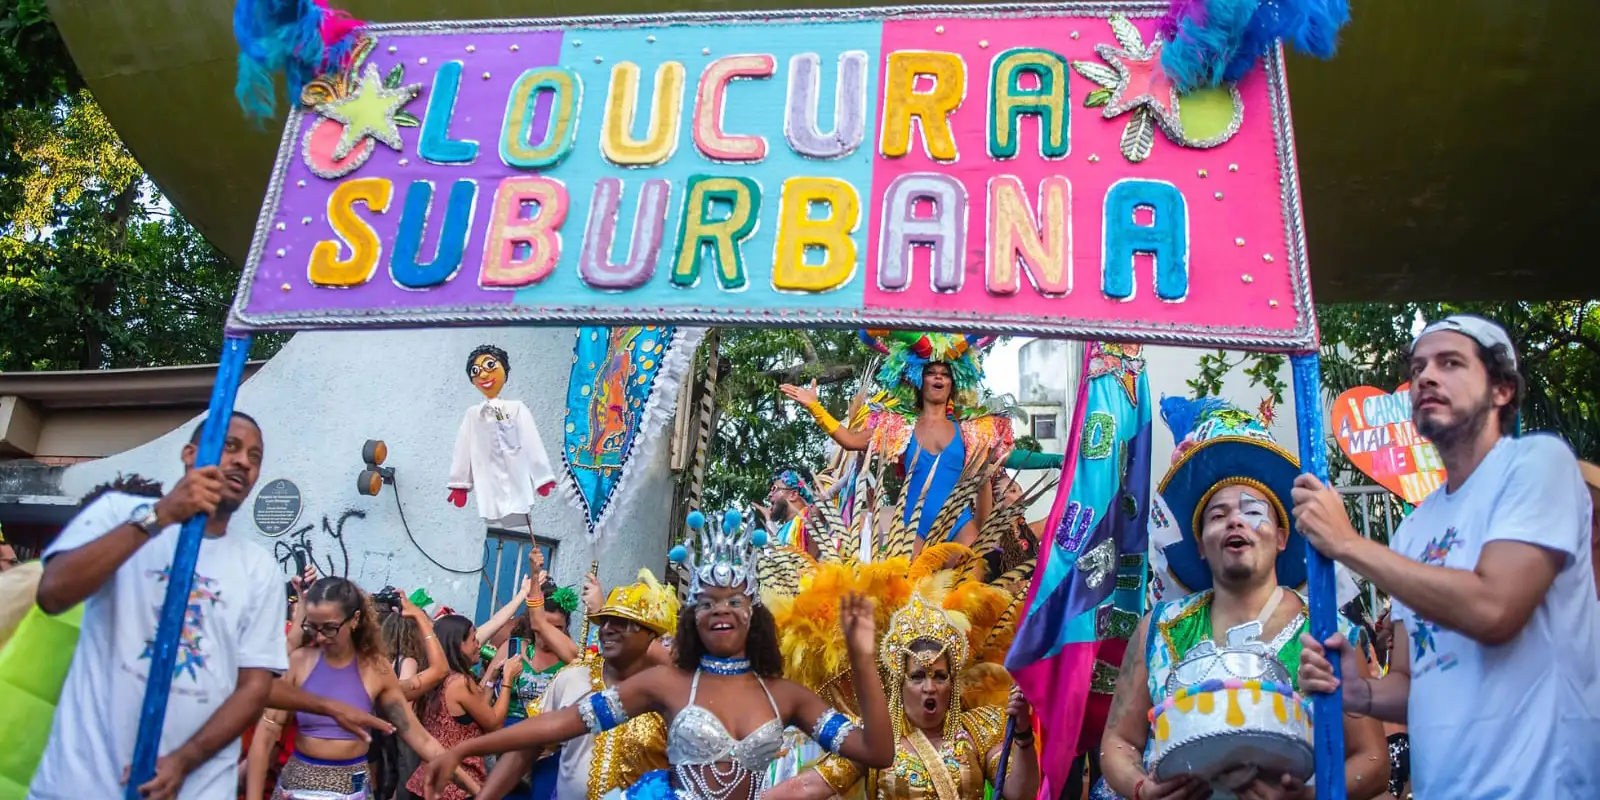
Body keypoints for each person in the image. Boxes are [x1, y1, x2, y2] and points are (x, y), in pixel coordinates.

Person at [1294, 314, 1600, 798]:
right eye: (1417, 368)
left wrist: (1348, 543)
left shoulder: (1538, 465)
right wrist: (1362, 692)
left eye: (1450, 363)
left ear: (1502, 389)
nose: (1426, 377)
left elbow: (1494, 609)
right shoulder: (1414, 530)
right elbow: (1415, 679)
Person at [421, 510, 895, 799]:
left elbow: (877, 751)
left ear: (754, 616)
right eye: (706, 602)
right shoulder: (666, 684)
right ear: (692, 619)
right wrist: (465, 748)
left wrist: (861, 658)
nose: (720, 610)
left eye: (734, 601)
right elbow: (557, 725)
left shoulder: (786, 696)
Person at [1101, 399, 1389, 800]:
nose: (1235, 520)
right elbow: (1118, 742)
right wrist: (1141, 789)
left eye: (1252, 511)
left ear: (1283, 538)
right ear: (1201, 546)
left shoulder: (1329, 633)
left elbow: (1373, 760)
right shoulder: (1158, 629)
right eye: (1218, 516)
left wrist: (1306, 798)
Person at [24, 412, 289, 800]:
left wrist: (184, 760)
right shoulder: (117, 513)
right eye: (230, 446)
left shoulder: (260, 568)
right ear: (190, 454)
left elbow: (254, 687)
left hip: (197, 788)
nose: (243, 462)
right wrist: (162, 515)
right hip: (82, 783)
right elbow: (53, 593)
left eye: (255, 456)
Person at [767, 586, 1040, 800]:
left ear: (952, 683)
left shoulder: (978, 730)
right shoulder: (875, 741)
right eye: (918, 677)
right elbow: (807, 787)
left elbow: (1020, 793)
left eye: (940, 676)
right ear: (900, 683)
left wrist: (1023, 735)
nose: (930, 687)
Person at [782, 332, 1020, 551]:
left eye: (945, 373)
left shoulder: (972, 431)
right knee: (907, 584)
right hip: (913, 528)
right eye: (931, 372)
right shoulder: (897, 427)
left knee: (970, 581)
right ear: (918, 379)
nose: (939, 376)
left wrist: (981, 534)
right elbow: (851, 441)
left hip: (960, 527)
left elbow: (994, 472)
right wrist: (815, 407)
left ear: (953, 383)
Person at [248, 576, 468, 799]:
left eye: (330, 628)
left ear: (354, 619)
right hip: (299, 788)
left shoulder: (376, 669)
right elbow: (265, 737)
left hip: (353, 790)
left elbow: (421, 739)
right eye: (313, 627)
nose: (320, 637)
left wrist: (476, 789)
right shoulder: (298, 662)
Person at [479, 569, 677, 800]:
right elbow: (526, 749)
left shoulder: (671, 694)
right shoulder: (572, 677)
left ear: (653, 635)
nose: (607, 629)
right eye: (604, 621)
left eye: (622, 623)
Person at [405, 613, 522, 800]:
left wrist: (491, 681)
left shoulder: (433, 678)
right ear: (458, 644)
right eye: (473, 639)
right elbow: (494, 724)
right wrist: (508, 680)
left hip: (425, 783)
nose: (479, 645)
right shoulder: (459, 683)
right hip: (456, 788)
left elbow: (478, 711)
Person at [761, 468, 820, 558]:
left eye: (774, 489)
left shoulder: (811, 515)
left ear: (793, 495)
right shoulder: (781, 532)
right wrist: (768, 518)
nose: (769, 495)